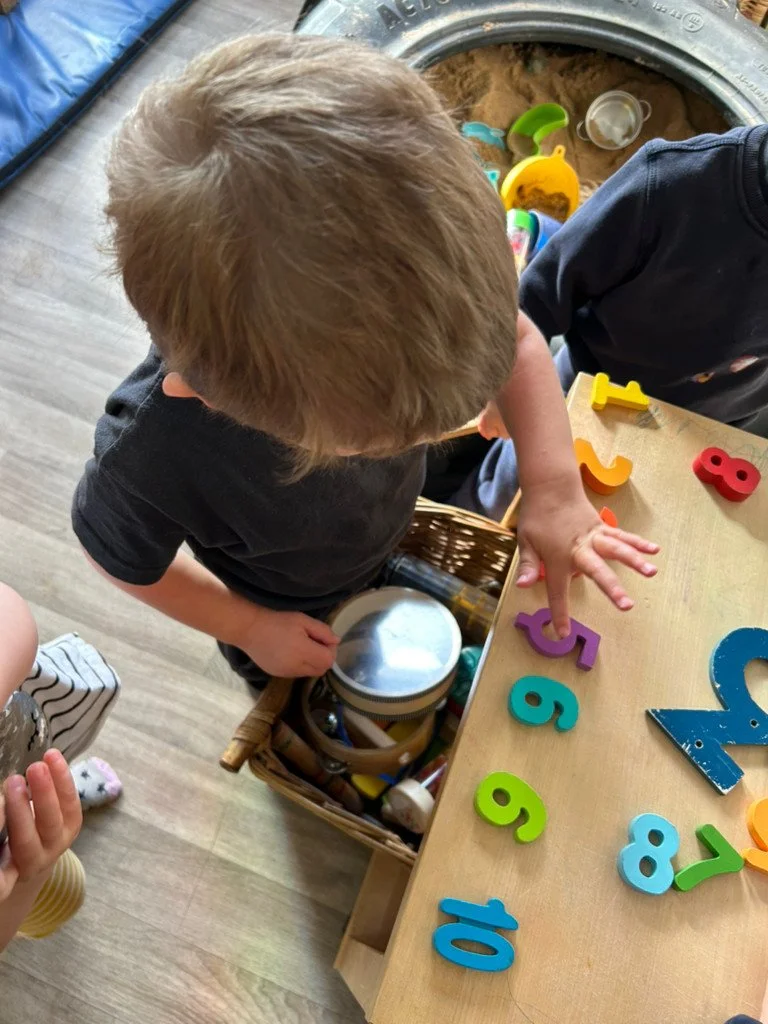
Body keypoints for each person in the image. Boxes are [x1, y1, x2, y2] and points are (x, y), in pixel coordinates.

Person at [72, 33, 659, 688]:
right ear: (208, 398)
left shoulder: (409, 312)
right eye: (382, 440)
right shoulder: (151, 456)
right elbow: (120, 560)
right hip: (289, 614)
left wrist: (552, 489)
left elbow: (521, 339)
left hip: (383, 536)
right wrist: (249, 629)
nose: (427, 439)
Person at [452, 126, 768, 520]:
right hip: (585, 390)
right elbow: (539, 293)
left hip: (708, 425)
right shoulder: (671, 184)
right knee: (501, 499)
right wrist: (504, 386)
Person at [0, 583, 84, 950]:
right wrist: (29, 874)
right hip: (14, 853)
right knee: (67, 891)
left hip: (21, 748)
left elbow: (7, 612)